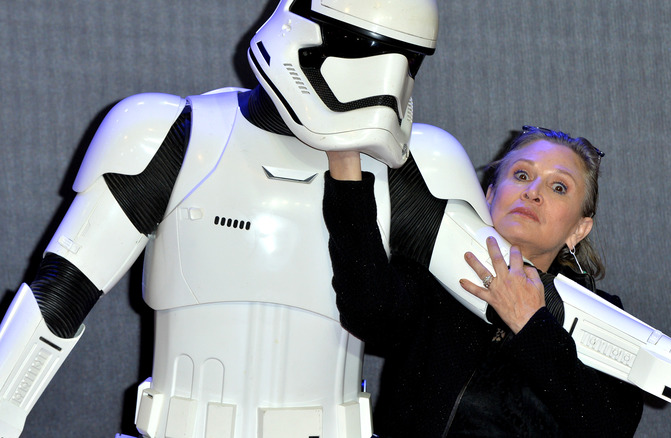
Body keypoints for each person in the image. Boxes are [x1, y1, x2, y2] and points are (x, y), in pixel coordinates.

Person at [0, 0, 438, 436]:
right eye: (357, 45)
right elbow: (56, 300)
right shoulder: (173, 134)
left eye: (406, 56)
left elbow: (484, 307)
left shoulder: (418, 167)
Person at [324, 125, 671, 437]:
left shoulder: (609, 323)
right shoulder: (436, 281)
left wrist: (533, 325)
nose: (533, 191)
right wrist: (344, 160)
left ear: (578, 228)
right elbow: (368, 310)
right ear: (490, 195)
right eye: (520, 175)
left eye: (559, 188)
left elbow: (605, 428)